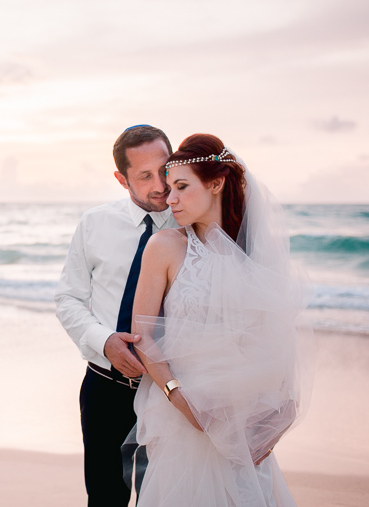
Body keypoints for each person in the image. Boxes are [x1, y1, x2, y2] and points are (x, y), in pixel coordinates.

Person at [130, 133, 314, 506]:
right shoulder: (164, 247)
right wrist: (184, 402)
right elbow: (142, 337)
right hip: (187, 420)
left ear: (216, 184)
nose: (171, 198)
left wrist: (279, 417)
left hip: (246, 424)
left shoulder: (255, 257)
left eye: (182, 186)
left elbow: (278, 342)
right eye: (169, 188)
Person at [55, 125, 178, 506]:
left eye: (165, 170)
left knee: (165, 496)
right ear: (121, 179)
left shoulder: (193, 225)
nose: (160, 185)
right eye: (144, 177)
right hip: (104, 387)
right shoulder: (94, 224)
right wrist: (104, 341)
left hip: (172, 390)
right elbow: (68, 298)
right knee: (105, 497)